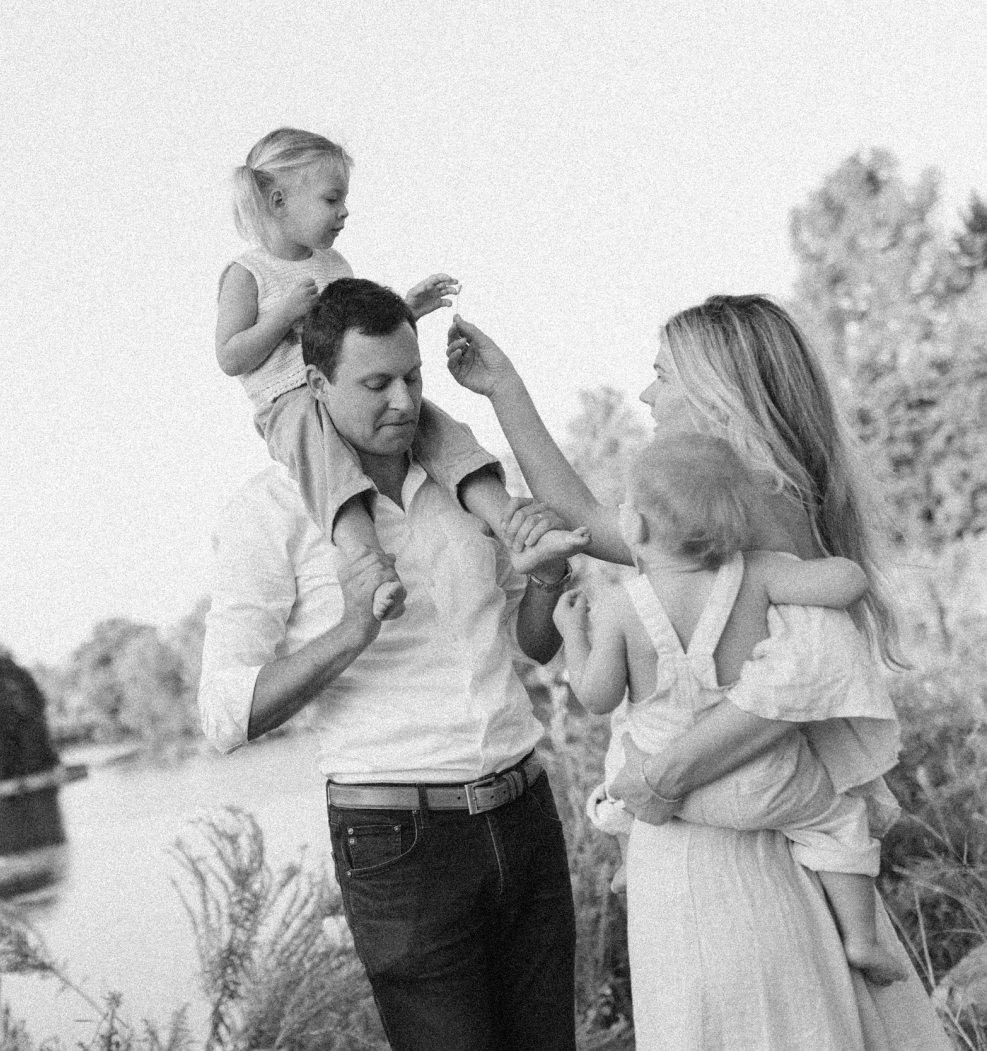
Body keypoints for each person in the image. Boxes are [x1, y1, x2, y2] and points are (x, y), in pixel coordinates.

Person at [445, 293, 951, 1049]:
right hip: (705, 833)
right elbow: (579, 508)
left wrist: (666, 771)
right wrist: (505, 388)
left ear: (718, 389)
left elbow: (798, 680)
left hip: (735, 842)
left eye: (660, 375)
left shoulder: (761, 509)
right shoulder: (705, 521)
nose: (647, 394)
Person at [199, 278, 587, 1050]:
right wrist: (350, 631)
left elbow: (533, 645)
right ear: (316, 385)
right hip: (401, 844)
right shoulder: (268, 512)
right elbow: (223, 715)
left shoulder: (470, 487)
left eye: (413, 377)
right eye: (376, 383)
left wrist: (546, 579)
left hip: (525, 810)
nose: (404, 401)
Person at [554, 432, 909, 985]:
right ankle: (860, 939)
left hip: (668, 797)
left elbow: (596, 697)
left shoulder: (625, 605)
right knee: (840, 819)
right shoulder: (761, 573)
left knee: (619, 761)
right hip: (771, 784)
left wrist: (573, 635)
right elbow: (849, 582)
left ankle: (628, 853)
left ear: (636, 527)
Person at [216, 127, 577, 621]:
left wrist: (408, 309)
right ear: (278, 200)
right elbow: (231, 356)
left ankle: (509, 518)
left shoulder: (334, 263)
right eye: (331, 199)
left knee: (432, 424)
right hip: (290, 401)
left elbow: (361, 338)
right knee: (324, 459)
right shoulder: (247, 273)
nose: (344, 212)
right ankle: (367, 560)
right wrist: (280, 316)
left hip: (347, 393)